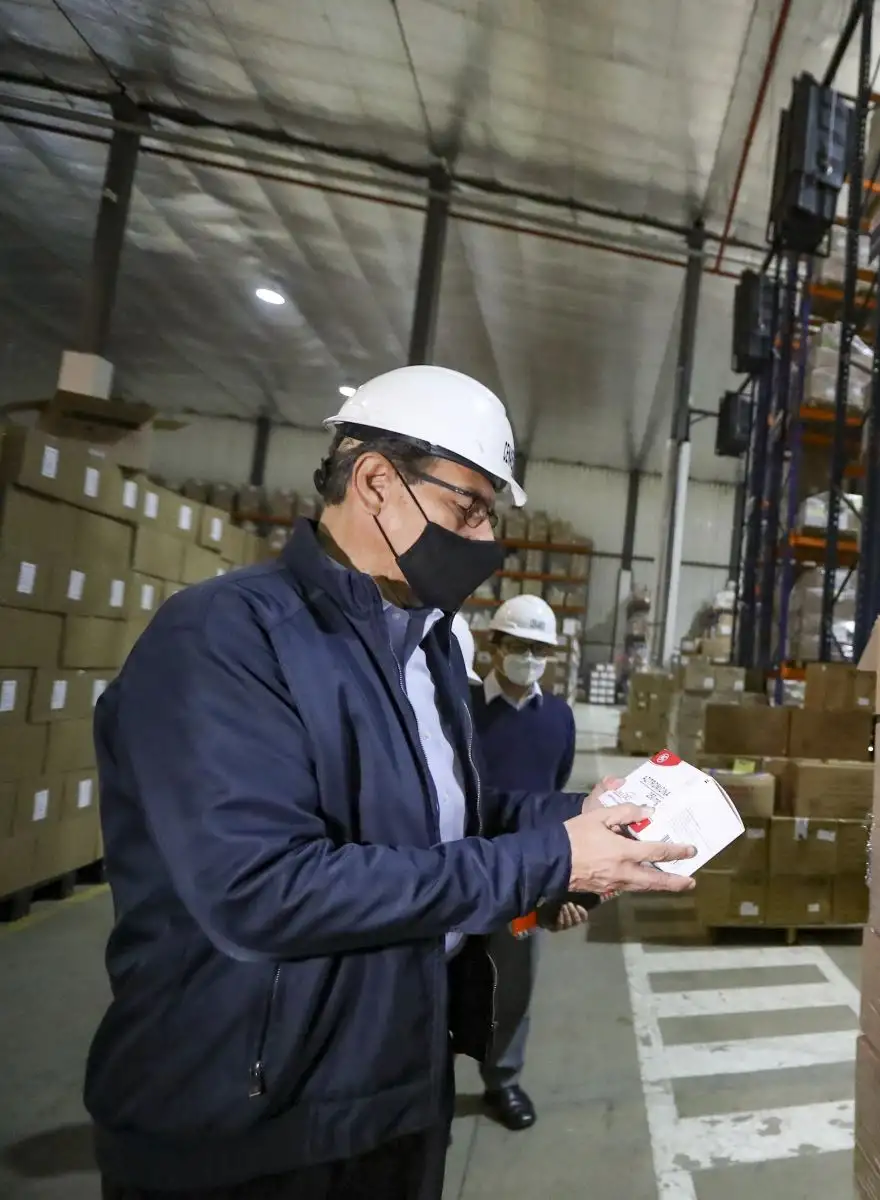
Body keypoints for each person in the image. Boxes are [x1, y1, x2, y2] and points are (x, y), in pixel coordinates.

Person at [85, 365, 696, 1200]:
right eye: (467, 507)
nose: (484, 540)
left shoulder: (428, 646)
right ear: (376, 481)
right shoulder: (224, 638)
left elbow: (445, 818)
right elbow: (262, 890)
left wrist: (576, 820)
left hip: (398, 1088)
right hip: (255, 1125)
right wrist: (546, 862)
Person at [468, 594, 580, 1131]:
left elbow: (552, 795)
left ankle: (503, 1081)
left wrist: (556, 886)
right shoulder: (460, 707)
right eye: (519, 646)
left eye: (540, 649)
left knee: (511, 986)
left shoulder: (558, 719)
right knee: (434, 976)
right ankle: (421, 1083)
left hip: (523, 879)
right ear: (494, 645)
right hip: (456, 863)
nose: (529, 658)